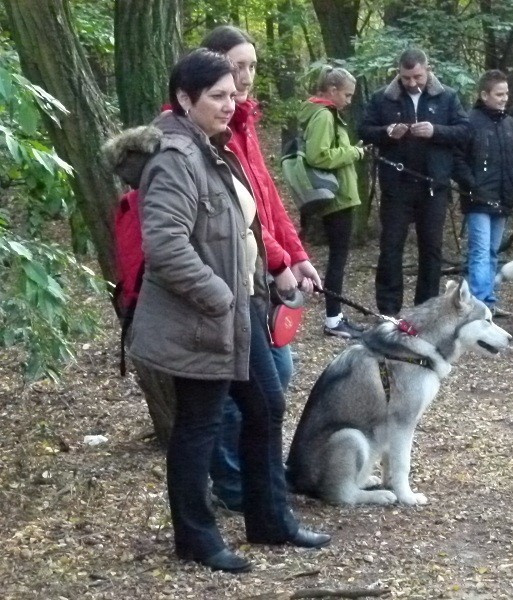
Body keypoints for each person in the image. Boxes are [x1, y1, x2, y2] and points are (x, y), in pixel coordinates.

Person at [123, 49, 330, 573]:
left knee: (265, 405)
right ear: (184, 99)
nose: (230, 103)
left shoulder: (213, 146)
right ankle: (195, 537)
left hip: (238, 314)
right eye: (217, 96)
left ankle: (270, 519)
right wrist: (219, 297)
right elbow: (167, 246)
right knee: (200, 425)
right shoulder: (175, 156)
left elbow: (245, 227)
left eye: (233, 94)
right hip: (199, 319)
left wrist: (265, 280)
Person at [200, 25, 323, 514]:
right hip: (236, 275)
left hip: (261, 273)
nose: (246, 77)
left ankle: (259, 472)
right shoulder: (210, 132)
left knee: (277, 373)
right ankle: (234, 483)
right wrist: (279, 263)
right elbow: (237, 211)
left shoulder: (245, 121)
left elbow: (266, 197)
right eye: (236, 66)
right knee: (242, 388)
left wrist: (297, 253)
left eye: (251, 66)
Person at [359, 48, 469, 316]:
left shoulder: (447, 97)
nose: (411, 83)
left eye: (417, 76)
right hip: (396, 186)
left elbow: (465, 130)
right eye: (406, 77)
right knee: (391, 248)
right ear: (399, 73)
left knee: (431, 249)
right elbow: (363, 129)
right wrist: (387, 132)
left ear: (428, 69)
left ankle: (425, 310)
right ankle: (388, 310)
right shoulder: (383, 98)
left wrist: (436, 131)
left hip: (434, 186)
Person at [298, 66, 366, 338]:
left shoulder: (322, 113)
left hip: (338, 195)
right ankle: (333, 319)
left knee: (339, 257)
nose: (349, 101)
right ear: (332, 90)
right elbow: (318, 156)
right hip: (336, 197)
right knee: (338, 259)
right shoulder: (324, 115)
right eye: (347, 95)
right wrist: (354, 152)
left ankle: (335, 316)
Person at [452, 70, 513, 317]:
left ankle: (489, 300)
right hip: (478, 199)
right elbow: (458, 159)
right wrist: (473, 187)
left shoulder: (509, 123)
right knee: (480, 251)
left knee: (493, 251)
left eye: (506, 93)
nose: (504, 98)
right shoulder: (470, 122)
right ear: (484, 95)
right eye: (499, 94)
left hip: (504, 198)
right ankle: (480, 302)